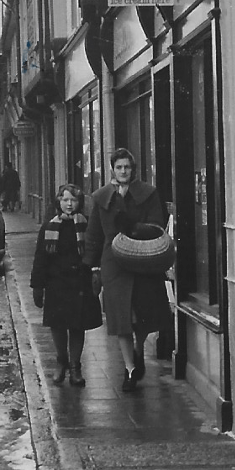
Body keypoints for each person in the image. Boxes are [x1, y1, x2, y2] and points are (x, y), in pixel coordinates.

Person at [84, 148, 169, 392]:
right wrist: (91, 268)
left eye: (127, 167)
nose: (123, 171)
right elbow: (94, 234)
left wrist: (133, 228)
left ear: (133, 169)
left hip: (142, 259)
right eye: (119, 167)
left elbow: (157, 225)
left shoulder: (148, 194)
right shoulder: (101, 197)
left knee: (140, 314)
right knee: (121, 318)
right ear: (112, 168)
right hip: (114, 263)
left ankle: (139, 349)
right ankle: (130, 367)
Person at [30, 184, 102, 387]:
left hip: (80, 282)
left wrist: (95, 272)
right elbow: (40, 258)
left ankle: (75, 367)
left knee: (78, 327)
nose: (69, 204)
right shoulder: (49, 227)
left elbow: (94, 251)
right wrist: (38, 286)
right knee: (58, 326)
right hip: (57, 284)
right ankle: (61, 361)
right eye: (65, 200)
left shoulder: (86, 225)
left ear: (79, 203)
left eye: (73, 200)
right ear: (59, 202)